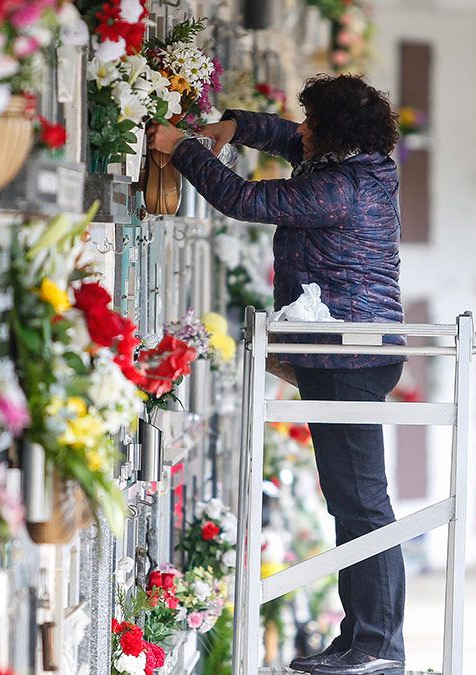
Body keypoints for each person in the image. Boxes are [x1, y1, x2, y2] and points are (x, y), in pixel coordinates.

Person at [149, 74, 405, 675]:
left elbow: (247, 201)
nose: (304, 129)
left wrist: (180, 147)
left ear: (334, 130)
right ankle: (360, 637)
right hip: (345, 354)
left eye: (313, 120)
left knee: (363, 502)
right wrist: (234, 125)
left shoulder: (340, 187)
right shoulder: (354, 166)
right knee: (350, 502)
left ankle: (379, 645)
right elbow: (291, 140)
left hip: (350, 356)